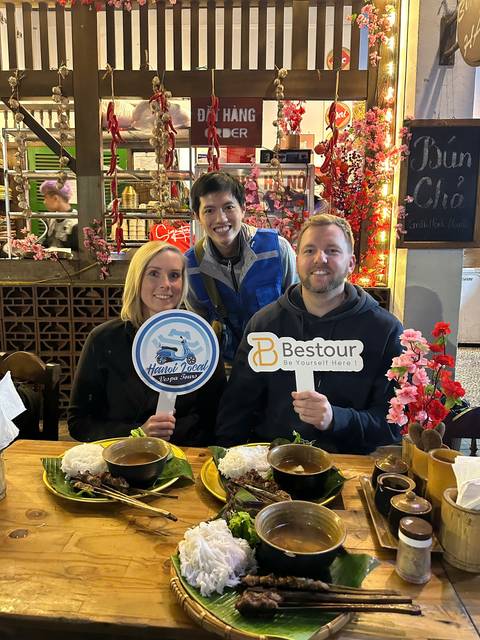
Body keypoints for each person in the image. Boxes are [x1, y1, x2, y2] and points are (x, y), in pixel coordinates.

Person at [215, 213, 403, 454]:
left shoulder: (385, 330)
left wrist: (337, 418)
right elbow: (236, 409)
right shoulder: (264, 325)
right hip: (272, 464)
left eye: (332, 251)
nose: (319, 259)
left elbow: (392, 424)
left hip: (348, 465)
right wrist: (227, 464)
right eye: (309, 250)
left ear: (351, 263)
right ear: (297, 258)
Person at [68, 241, 226, 445]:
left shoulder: (200, 338)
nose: (166, 284)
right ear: (137, 279)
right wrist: (137, 433)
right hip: (122, 461)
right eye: (153, 273)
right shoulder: (103, 340)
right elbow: (79, 423)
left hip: (187, 460)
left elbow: (219, 415)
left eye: (174, 275)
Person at [185, 171, 298, 362]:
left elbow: (298, 310)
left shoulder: (277, 249)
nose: (221, 219)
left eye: (228, 207)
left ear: (243, 208)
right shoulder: (190, 266)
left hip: (277, 365)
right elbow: (198, 330)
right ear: (197, 216)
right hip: (223, 370)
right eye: (209, 210)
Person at [39, 180, 78, 251]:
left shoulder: (75, 222)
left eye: (45, 198)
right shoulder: (52, 219)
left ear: (55, 198)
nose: (44, 202)